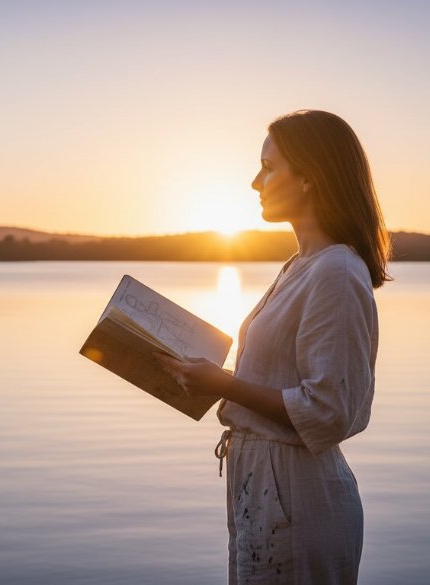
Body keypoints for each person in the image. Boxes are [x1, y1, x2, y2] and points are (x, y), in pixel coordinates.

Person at [155, 109, 390, 585]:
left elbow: (328, 411)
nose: (254, 181)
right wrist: (200, 379)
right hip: (264, 485)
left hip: (296, 495)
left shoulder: (336, 273)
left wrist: (223, 384)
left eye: (268, 167)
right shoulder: (301, 265)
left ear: (308, 177)